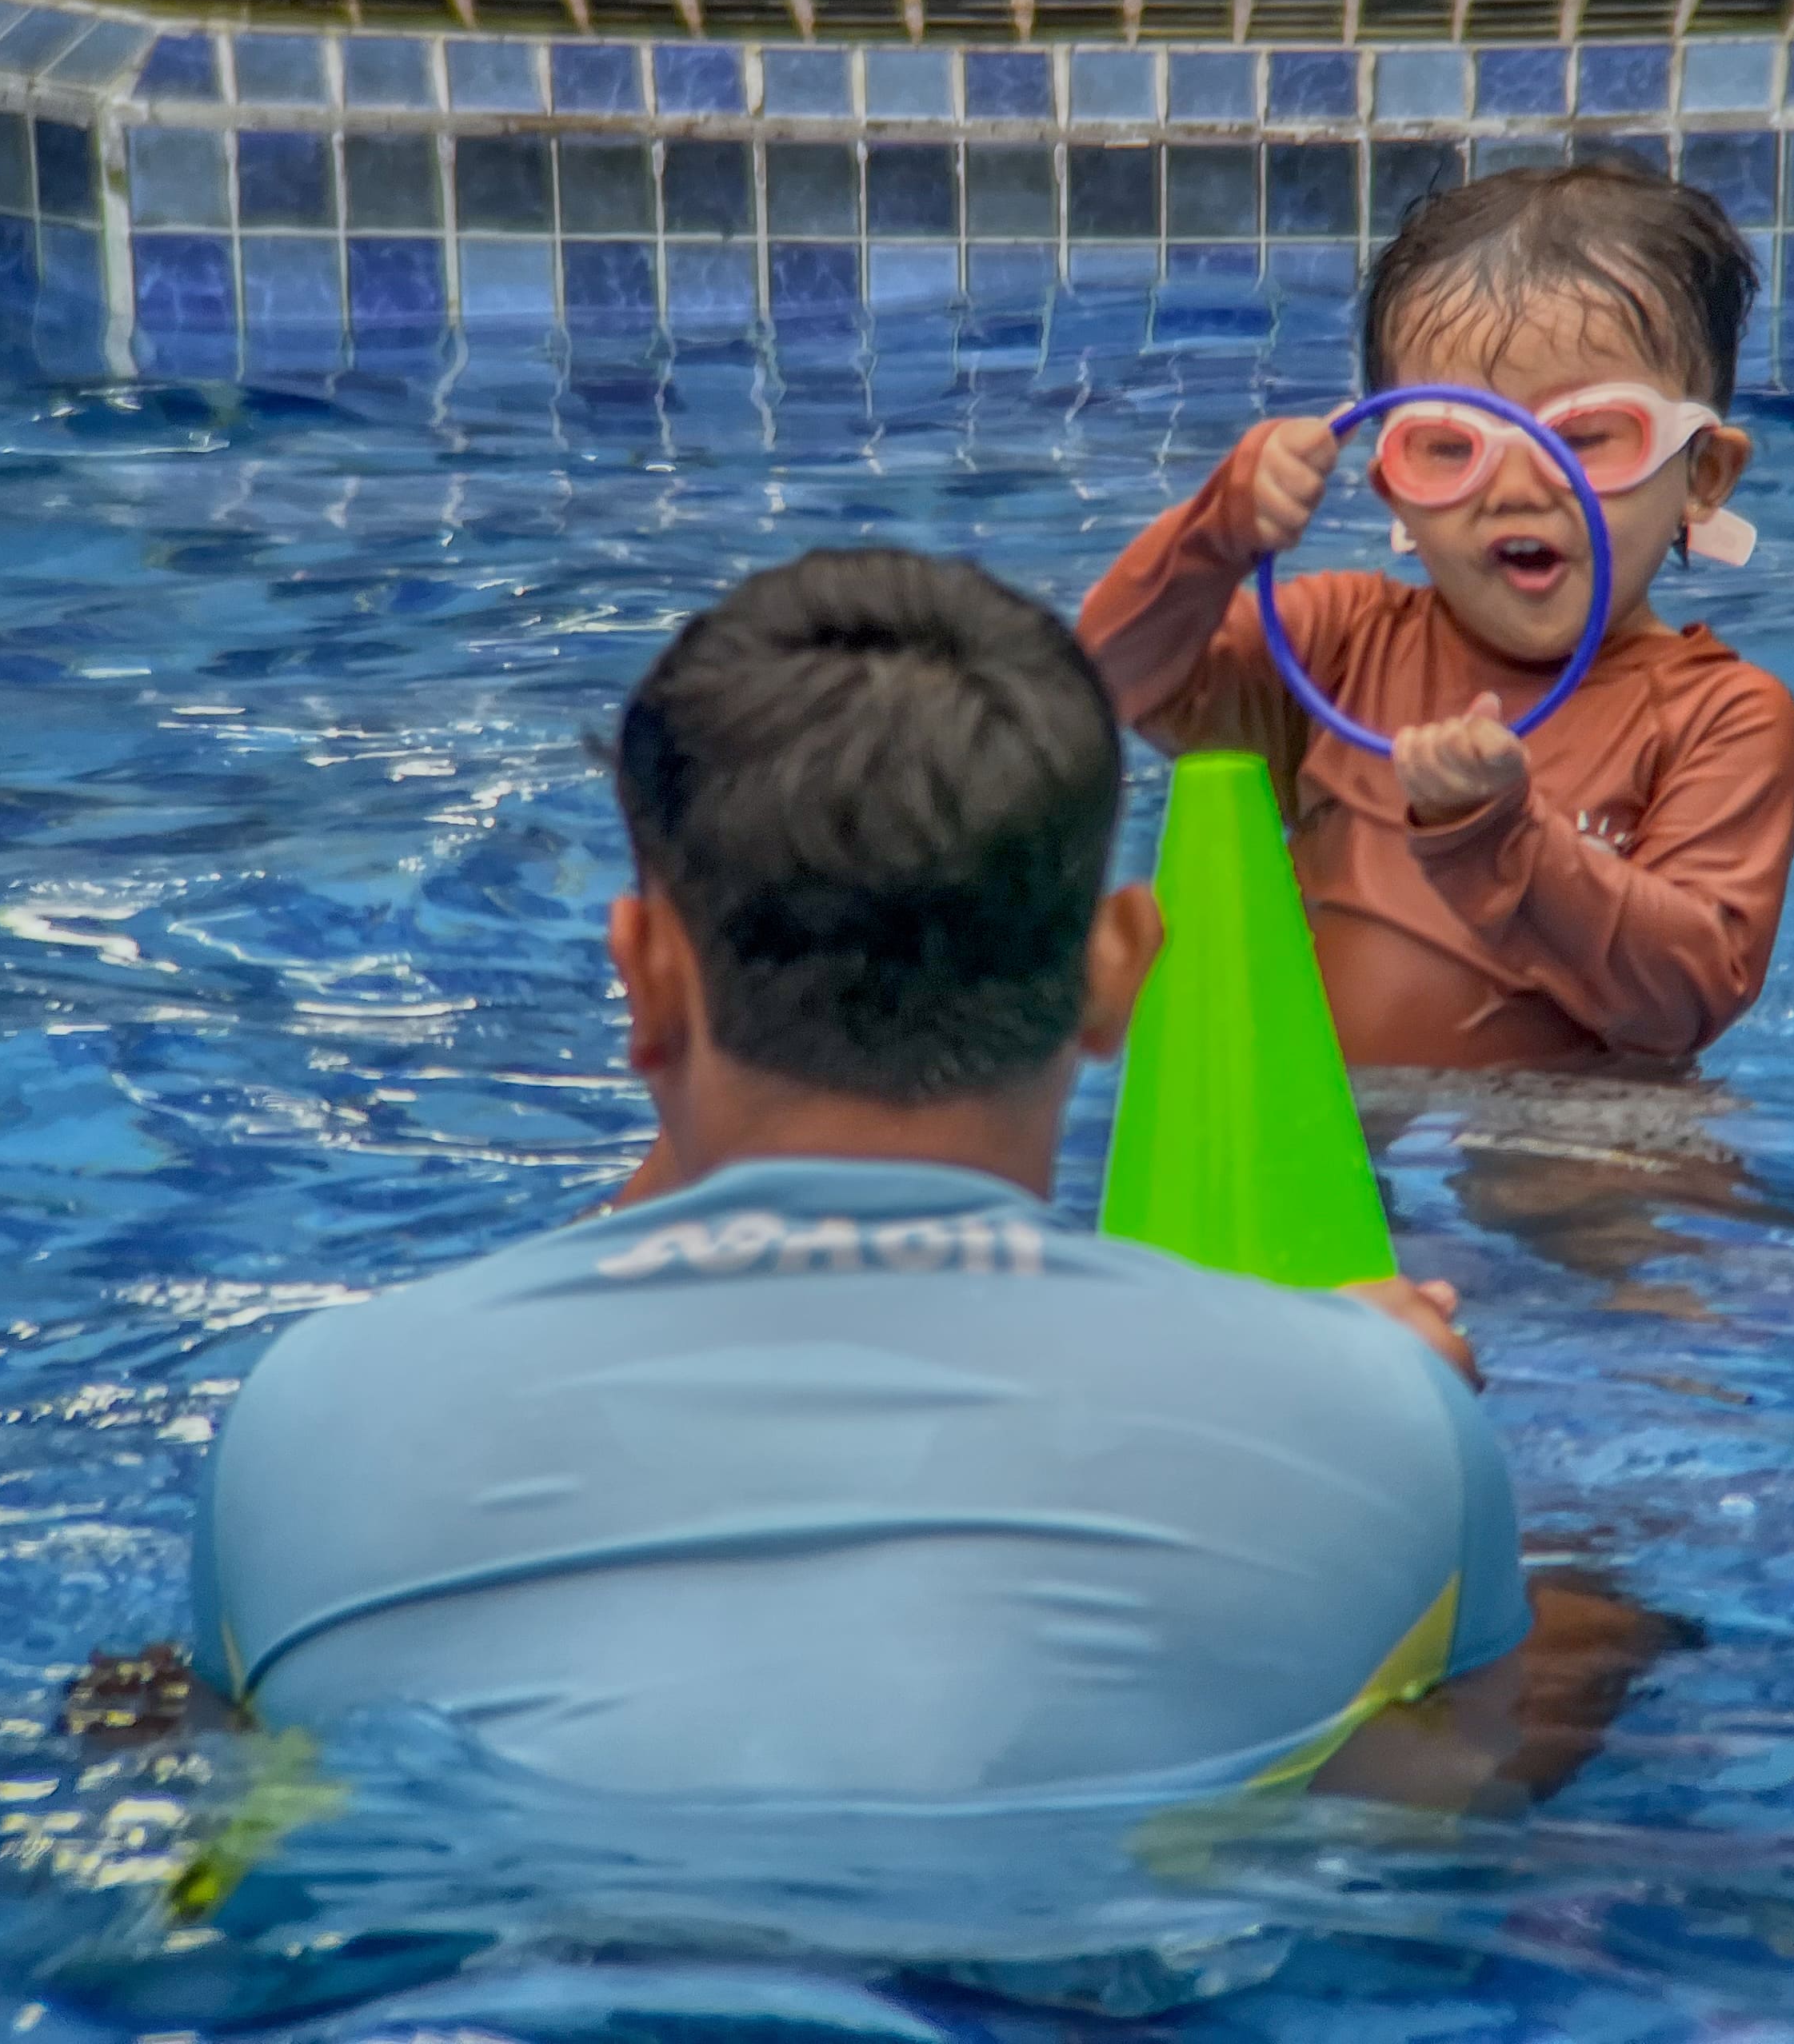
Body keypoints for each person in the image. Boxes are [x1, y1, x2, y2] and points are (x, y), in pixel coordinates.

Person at [191, 548, 1660, 1806]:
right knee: (1593, 1620)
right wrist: (1331, 1368)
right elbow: (1432, 1811)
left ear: (640, 974)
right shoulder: (1382, 1417)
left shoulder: (311, 1414)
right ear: (1121, 972)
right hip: (1113, 1978)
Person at [1077, 158, 1794, 1075]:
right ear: (1393, 486)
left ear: (1703, 475)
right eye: (1451, 447)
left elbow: (1689, 996)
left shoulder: (1722, 718)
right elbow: (1105, 683)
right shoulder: (1339, 648)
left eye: (1588, 438)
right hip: (1338, 1129)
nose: (1520, 487)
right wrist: (1214, 533)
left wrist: (1503, 839)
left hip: (1590, 1123)